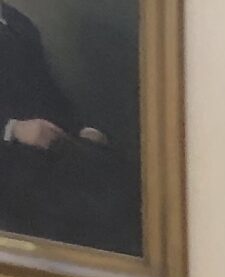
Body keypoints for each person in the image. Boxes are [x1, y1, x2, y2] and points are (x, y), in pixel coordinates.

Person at [0, 1, 137, 256]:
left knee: (115, 176)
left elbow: (47, 95)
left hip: (40, 151)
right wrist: (13, 128)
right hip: (8, 160)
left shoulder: (17, 22)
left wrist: (80, 129)